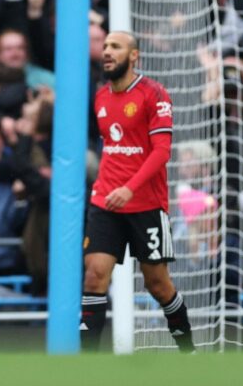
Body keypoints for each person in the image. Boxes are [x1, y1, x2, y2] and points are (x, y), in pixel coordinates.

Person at [80, 31, 195, 353]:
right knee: (94, 277)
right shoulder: (101, 97)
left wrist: (129, 189)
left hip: (145, 204)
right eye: (104, 46)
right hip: (105, 202)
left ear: (133, 55)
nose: (106, 51)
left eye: (115, 46)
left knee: (158, 285)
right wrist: (111, 189)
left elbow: (162, 152)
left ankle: (190, 353)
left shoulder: (153, 94)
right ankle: (83, 365)